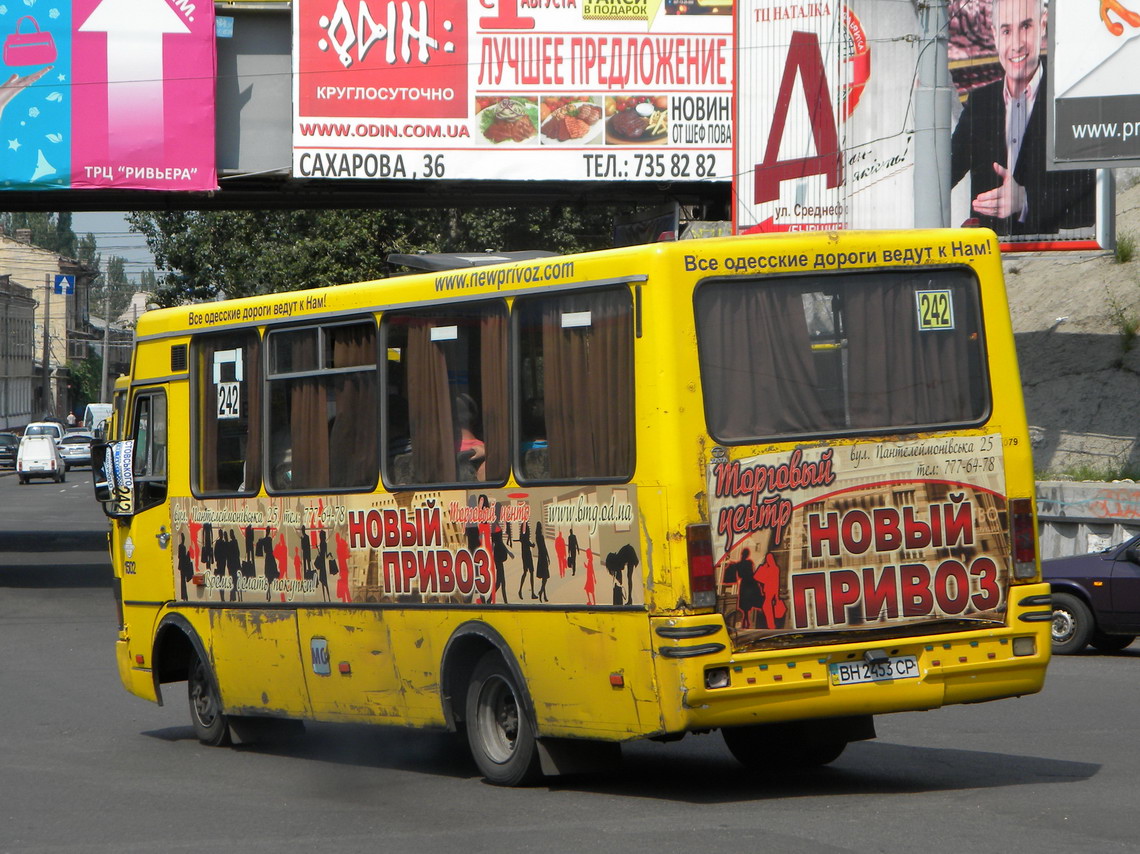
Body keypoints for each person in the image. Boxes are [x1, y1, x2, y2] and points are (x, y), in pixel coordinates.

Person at [950, 0, 1096, 236]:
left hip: (1054, 256)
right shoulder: (980, 103)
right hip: (993, 255)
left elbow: (1091, 190)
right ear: (995, 35)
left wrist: (1026, 201)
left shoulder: (1072, 95)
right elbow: (944, 172)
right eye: (1006, 30)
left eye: (1026, 26)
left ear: (1043, 25)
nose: (1016, 44)